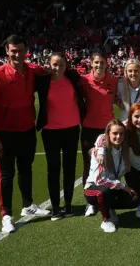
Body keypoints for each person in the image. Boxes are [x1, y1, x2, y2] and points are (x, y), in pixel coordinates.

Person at [0, 34, 49, 233]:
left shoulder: (31, 71)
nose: (17, 54)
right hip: (5, 134)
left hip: (27, 130)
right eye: (13, 51)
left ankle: (28, 205)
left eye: (20, 50)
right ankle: (7, 215)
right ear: (7, 51)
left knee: (26, 170)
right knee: (6, 176)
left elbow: (49, 70)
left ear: (26, 50)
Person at [35, 53, 86, 220]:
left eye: (61, 65)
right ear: (49, 65)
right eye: (54, 65)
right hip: (50, 131)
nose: (57, 68)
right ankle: (56, 206)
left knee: (69, 168)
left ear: (66, 66)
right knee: (53, 169)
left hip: (71, 129)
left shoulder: (72, 78)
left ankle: (69, 204)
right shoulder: (43, 81)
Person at [84, 119, 140, 233]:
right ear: (108, 134)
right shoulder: (99, 153)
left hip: (113, 187)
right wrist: (122, 186)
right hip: (94, 189)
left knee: (135, 198)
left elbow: (139, 164)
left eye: (121, 133)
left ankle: (109, 208)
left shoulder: (126, 150)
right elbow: (99, 180)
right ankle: (106, 219)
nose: (118, 136)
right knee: (104, 192)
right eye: (115, 133)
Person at [80, 51, 118, 217]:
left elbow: (119, 98)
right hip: (89, 128)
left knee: (109, 164)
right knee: (88, 165)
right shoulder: (84, 81)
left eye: (102, 62)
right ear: (91, 64)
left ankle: (111, 198)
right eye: (96, 63)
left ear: (106, 63)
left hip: (108, 130)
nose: (99, 65)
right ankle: (90, 202)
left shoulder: (113, 81)